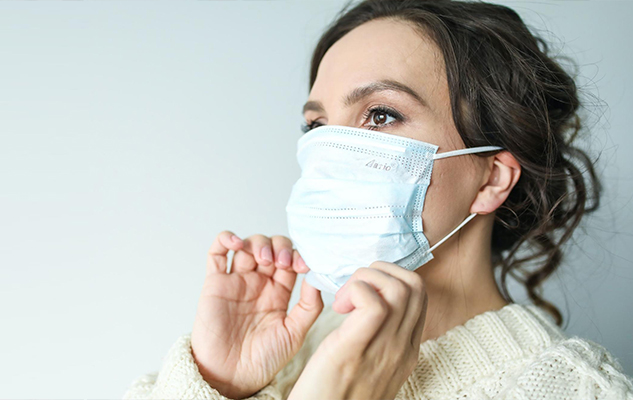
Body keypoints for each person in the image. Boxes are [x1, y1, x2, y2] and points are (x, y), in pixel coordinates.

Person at [122, 0, 633, 399]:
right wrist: (218, 383)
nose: (330, 151)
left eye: (381, 115)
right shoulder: (278, 352)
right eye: (317, 126)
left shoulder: (575, 390)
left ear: (491, 179)